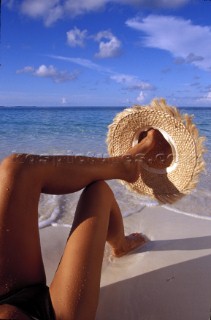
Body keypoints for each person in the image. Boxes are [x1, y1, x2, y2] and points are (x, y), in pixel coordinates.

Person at [0, 129, 162, 320]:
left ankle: (122, 166)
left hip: (6, 293)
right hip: (53, 315)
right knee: (99, 193)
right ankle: (122, 244)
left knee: (17, 168)